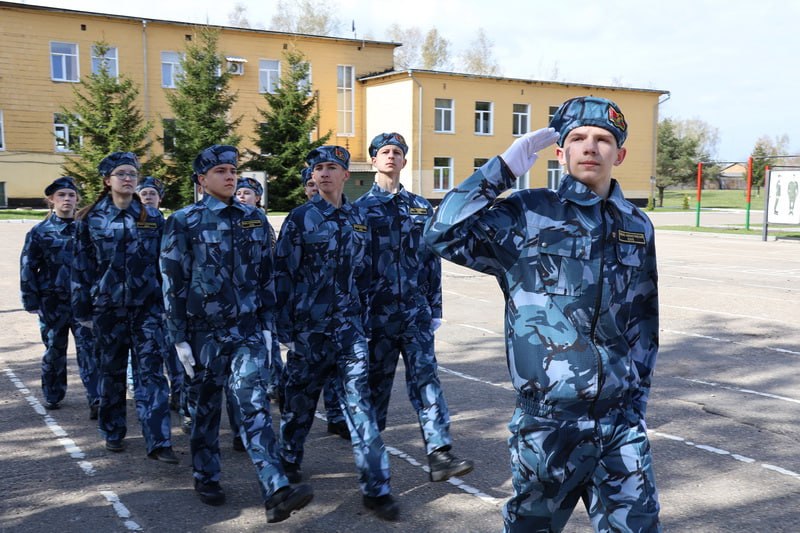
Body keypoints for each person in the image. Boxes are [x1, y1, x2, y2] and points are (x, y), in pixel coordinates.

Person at [424, 96, 661, 532]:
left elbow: (643, 321)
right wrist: (504, 168)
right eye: (578, 138)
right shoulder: (528, 213)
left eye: (604, 139)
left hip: (619, 421)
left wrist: (637, 402)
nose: (591, 147)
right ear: (561, 152)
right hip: (549, 422)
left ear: (620, 154)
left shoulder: (636, 224)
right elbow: (441, 232)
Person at [160, 145, 312, 523]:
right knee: (205, 410)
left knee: (254, 405)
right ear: (201, 179)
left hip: (246, 331)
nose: (230, 177)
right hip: (201, 334)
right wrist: (177, 336)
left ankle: (276, 489)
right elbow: (172, 281)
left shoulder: (254, 219)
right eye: (220, 171)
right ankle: (206, 475)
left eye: (232, 170)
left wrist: (266, 326)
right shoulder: (183, 221)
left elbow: (266, 276)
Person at [275, 146, 398, 521]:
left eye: (332, 167)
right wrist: (285, 330)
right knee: (298, 407)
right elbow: (282, 275)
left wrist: (369, 322)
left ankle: (377, 489)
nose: (324, 173)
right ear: (312, 176)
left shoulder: (360, 218)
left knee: (361, 410)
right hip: (308, 333)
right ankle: (290, 461)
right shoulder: (300, 219)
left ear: (346, 175)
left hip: (350, 333)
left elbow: (369, 276)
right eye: (318, 168)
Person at [354, 132, 473, 481]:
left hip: (415, 313)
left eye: (397, 152)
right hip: (376, 315)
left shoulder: (421, 207)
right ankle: (371, 462)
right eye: (384, 152)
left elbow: (430, 259)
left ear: (404, 161)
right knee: (375, 387)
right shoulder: (359, 211)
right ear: (374, 161)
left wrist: (435, 308)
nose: (391, 157)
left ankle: (440, 452)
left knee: (426, 380)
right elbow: (354, 267)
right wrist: (355, 316)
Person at [71, 152, 177, 464]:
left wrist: (167, 305)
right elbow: (81, 268)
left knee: (152, 374)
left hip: (147, 309)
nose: (128, 179)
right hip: (107, 309)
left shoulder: (152, 218)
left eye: (132, 173)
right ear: (107, 180)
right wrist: (83, 313)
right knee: (112, 372)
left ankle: (159, 440)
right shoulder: (90, 219)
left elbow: (166, 265)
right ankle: (114, 430)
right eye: (121, 174)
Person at [20, 177, 101, 416]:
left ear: (77, 200)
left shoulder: (86, 228)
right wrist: (31, 300)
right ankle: (53, 394)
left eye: (71, 195)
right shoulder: (40, 232)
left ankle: (96, 398)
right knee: (55, 349)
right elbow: (27, 266)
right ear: (52, 200)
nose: (67, 199)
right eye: (62, 195)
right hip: (52, 302)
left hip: (84, 302)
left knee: (90, 350)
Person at [299, 167, 349, 439]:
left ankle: (337, 417)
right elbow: (285, 272)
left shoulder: (353, 216)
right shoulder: (300, 218)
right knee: (305, 385)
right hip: (311, 318)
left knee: (341, 376)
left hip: (345, 317)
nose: (316, 184)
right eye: (310, 181)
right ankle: (291, 450)